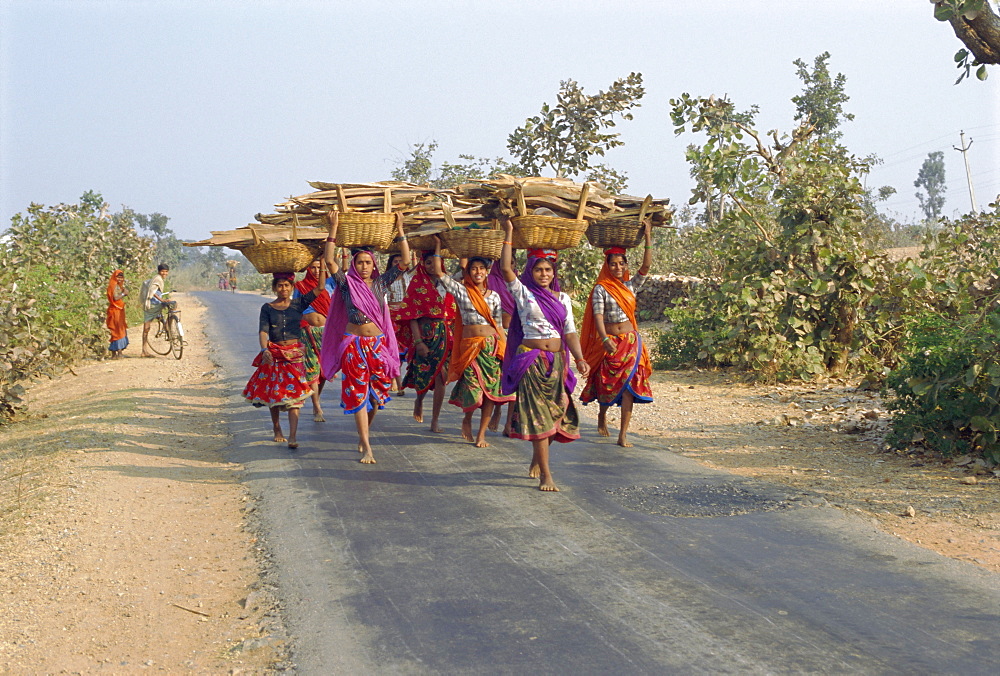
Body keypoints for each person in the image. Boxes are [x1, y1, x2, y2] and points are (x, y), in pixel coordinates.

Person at [499, 218, 590, 492]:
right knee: (539, 414)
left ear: (554, 272)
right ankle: (546, 475)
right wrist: (509, 234)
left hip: (557, 362)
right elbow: (505, 268)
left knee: (557, 413)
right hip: (531, 361)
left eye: (548, 270)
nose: (543, 274)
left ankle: (538, 457)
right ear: (531, 271)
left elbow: (570, 332)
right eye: (538, 269)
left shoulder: (563, 300)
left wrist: (580, 358)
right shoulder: (524, 293)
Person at [319, 211, 410, 464]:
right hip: (354, 345)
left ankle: (364, 433)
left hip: (377, 346)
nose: (363, 266)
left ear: (374, 265)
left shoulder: (380, 285)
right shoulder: (346, 285)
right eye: (359, 262)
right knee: (358, 392)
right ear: (353, 265)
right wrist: (334, 227)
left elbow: (404, 260)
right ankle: (367, 444)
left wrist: (400, 229)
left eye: (367, 262)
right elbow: (329, 261)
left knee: (375, 395)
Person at [429, 240, 514, 447]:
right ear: (469, 271)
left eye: (481, 269)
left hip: (491, 347)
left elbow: (498, 324)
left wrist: (505, 350)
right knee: (472, 388)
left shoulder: (494, 296)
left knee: (491, 395)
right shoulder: (461, 291)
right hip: (470, 348)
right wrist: (438, 246)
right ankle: (467, 418)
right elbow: (440, 274)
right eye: (474, 268)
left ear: (486, 272)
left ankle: (481, 434)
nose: (477, 272)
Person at [580, 223, 655, 447]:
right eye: (613, 264)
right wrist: (604, 340)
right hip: (610, 342)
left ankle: (623, 434)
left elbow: (646, 266)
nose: (618, 267)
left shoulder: (630, 286)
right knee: (607, 384)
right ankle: (602, 415)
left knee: (630, 385)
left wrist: (648, 236)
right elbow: (598, 317)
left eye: (621, 263)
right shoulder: (600, 289)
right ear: (607, 266)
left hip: (631, 342)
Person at [242, 269, 324, 449]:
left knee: (295, 396)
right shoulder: (267, 308)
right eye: (280, 285)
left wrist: (323, 261)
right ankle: (277, 428)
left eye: (287, 285)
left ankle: (293, 436)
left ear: (292, 287)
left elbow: (320, 287)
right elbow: (263, 331)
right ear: (274, 288)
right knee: (275, 394)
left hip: (295, 356)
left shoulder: (299, 304)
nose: (283, 288)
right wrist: (264, 349)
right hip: (275, 355)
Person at [398, 250, 457, 433]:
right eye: (428, 262)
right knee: (423, 374)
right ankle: (419, 400)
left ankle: (435, 420)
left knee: (442, 376)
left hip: (445, 336)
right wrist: (418, 342)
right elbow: (412, 316)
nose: (432, 266)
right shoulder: (416, 284)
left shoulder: (449, 283)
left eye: (436, 261)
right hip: (424, 335)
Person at [295, 258, 329, 422]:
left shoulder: (330, 284)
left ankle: (316, 397)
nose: (316, 271)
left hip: (327, 332)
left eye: (319, 267)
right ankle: (317, 407)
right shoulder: (300, 286)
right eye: (313, 267)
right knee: (311, 367)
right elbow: (294, 307)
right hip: (306, 332)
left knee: (324, 370)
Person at [385, 252, 414, 397]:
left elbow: (417, 264)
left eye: (399, 261)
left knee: (404, 349)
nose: (397, 264)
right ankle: (396, 381)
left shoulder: (408, 276)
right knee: (392, 349)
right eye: (394, 261)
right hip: (390, 319)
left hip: (406, 318)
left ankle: (399, 379)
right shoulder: (385, 280)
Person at [140, 263, 175, 357]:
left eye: (166, 271)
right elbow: (152, 291)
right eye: (163, 271)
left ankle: (144, 351)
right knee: (174, 305)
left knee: (146, 328)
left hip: (152, 305)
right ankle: (167, 327)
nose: (165, 273)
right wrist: (162, 300)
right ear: (159, 271)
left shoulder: (156, 278)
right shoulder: (158, 279)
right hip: (153, 305)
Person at [105, 270, 129, 359]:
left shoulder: (118, 286)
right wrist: (123, 294)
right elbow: (115, 298)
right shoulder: (113, 286)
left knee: (117, 330)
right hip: (115, 311)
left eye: (121, 277)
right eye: (118, 277)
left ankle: (115, 354)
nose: (120, 279)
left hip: (118, 309)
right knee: (118, 330)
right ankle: (119, 353)